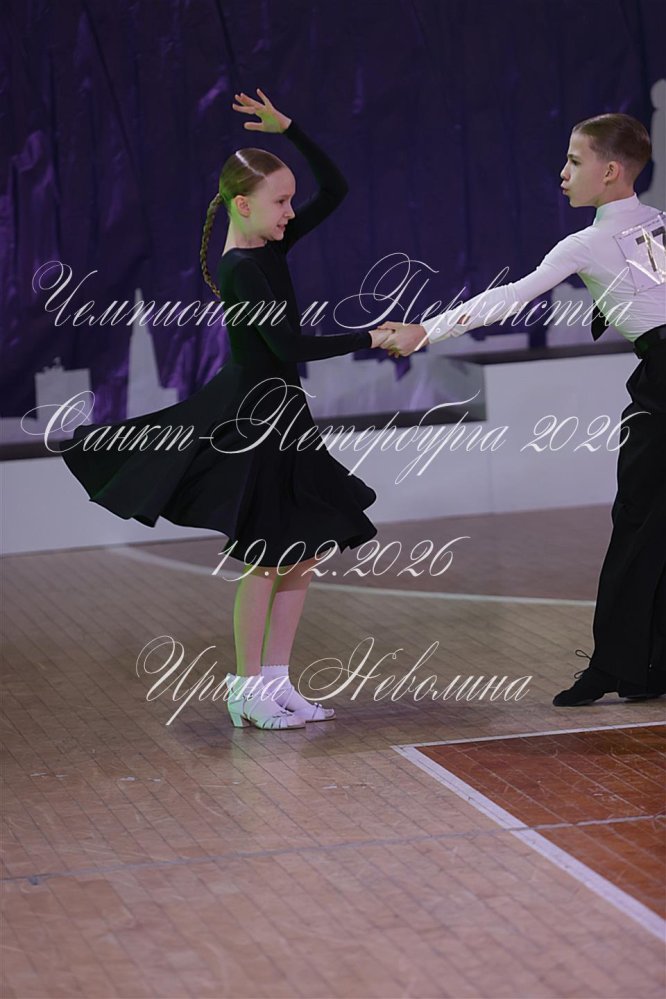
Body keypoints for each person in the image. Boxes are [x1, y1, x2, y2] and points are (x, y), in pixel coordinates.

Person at [61, 89, 393, 729]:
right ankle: (244, 689)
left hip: (284, 412)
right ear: (243, 205)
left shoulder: (271, 249)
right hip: (254, 417)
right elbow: (288, 345)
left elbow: (338, 189)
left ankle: (277, 681)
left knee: (303, 551)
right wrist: (373, 337)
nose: (291, 212)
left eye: (291, 200)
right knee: (266, 556)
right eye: (280, 201)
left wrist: (290, 127)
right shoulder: (243, 268)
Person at [373, 113, 666, 706]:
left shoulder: (586, 242)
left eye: (575, 161)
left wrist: (426, 330)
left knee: (639, 521)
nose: (563, 173)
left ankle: (618, 667)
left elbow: (510, 298)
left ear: (611, 171)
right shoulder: (656, 222)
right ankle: (643, 667)